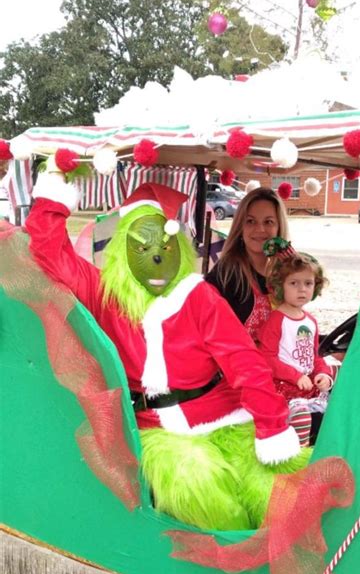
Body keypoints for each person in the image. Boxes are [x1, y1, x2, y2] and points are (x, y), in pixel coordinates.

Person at [25, 170, 306, 532]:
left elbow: (243, 361)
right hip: (160, 429)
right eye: (142, 248)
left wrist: (270, 426)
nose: (156, 258)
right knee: (204, 493)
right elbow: (48, 252)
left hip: (225, 416)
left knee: (275, 496)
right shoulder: (104, 294)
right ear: (124, 252)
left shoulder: (198, 296)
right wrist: (52, 202)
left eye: (164, 246)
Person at [257, 238, 335, 447]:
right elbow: (266, 358)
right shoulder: (276, 320)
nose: (302, 290)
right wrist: (295, 375)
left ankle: (323, 450)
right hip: (284, 388)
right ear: (280, 286)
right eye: (294, 283)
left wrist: (322, 373)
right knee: (301, 416)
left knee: (337, 406)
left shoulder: (310, 321)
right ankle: (297, 457)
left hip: (308, 385)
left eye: (308, 283)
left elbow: (315, 355)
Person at [206, 187, 289, 342]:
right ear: (240, 227)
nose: (260, 229)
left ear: (279, 228)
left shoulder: (286, 273)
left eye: (268, 222)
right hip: (239, 364)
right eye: (250, 221)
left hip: (281, 364)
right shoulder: (226, 273)